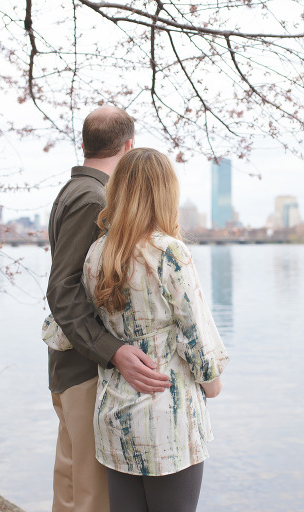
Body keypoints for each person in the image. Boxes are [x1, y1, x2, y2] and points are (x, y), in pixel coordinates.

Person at [82, 148, 229, 512]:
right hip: (169, 420)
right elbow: (197, 337)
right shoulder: (169, 253)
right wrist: (213, 382)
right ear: (166, 193)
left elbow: (60, 330)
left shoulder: (96, 253)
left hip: (115, 416)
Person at [44, 107, 171, 512]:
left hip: (71, 363)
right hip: (85, 368)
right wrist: (113, 350)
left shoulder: (74, 191)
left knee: (71, 488)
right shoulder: (94, 198)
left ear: (84, 144)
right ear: (129, 146)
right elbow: (62, 289)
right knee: (93, 497)